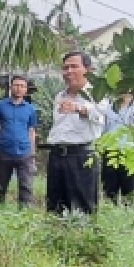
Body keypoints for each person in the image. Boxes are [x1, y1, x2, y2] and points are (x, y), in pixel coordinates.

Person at [44, 51, 105, 215]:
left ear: (88, 70)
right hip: (57, 155)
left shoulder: (97, 93)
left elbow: (100, 116)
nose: (69, 71)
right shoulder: (60, 96)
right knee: (55, 207)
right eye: (65, 68)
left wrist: (78, 108)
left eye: (74, 67)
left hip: (82, 156)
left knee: (82, 208)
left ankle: (82, 232)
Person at [0, 75, 38, 207]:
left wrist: (32, 153)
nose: (19, 88)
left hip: (24, 152)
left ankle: (25, 213)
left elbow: (31, 131)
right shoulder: (0, 106)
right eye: (16, 85)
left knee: (26, 186)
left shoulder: (30, 109)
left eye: (22, 86)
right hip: (4, 151)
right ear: (11, 87)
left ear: (26, 89)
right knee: (1, 185)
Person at [99, 92, 134, 205]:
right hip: (110, 153)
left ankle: (128, 212)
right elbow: (102, 131)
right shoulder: (107, 108)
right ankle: (110, 212)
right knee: (109, 191)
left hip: (131, 153)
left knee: (130, 192)